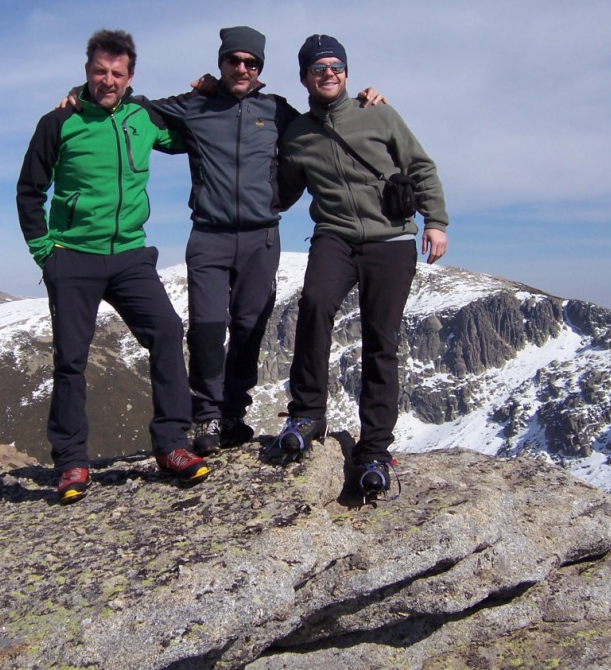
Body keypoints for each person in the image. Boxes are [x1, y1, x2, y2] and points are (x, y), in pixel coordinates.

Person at [60, 27, 384, 458]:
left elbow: (322, 122)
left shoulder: (277, 111)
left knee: (250, 329)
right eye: (234, 61)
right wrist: (80, 93)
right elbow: (133, 107)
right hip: (209, 235)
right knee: (208, 328)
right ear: (222, 63)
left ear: (260, 70)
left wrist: (364, 103)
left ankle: (233, 413)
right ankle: (207, 413)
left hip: (261, 237)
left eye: (252, 63)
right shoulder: (196, 106)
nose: (242, 68)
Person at [17, 29, 210, 505]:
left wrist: (209, 92)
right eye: (100, 71)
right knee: (71, 358)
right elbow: (29, 191)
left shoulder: (142, 118)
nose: (108, 80)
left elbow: (191, 132)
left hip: (129, 255)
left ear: (130, 77)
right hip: (73, 257)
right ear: (87, 71)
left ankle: (172, 447)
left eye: (117, 73)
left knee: (166, 330)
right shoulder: (58, 123)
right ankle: (70, 463)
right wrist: (47, 254)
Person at [275, 34, 449, 499]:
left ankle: (374, 450)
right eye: (317, 68)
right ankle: (308, 412)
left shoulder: (379, 114)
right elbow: (281, 191)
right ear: (304, 78)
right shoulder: (296, 133)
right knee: (314, 304)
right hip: (334, 237)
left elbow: (420, 168)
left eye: (335, 66)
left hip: (391, 240)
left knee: (380, 341)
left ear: (346, 73)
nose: (327, 73)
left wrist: (435, 221)